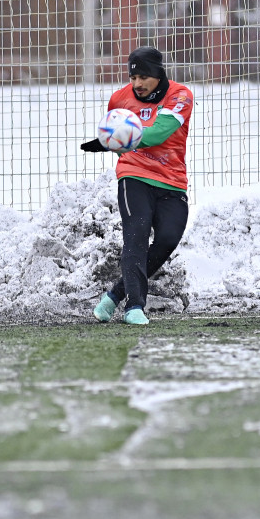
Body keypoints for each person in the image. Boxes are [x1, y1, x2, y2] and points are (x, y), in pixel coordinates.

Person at [81, 47, 193, 325]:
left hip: (172, 180)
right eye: (133, 78)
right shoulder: (119, 99)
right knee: (136, 234)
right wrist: (113, 144)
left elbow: (158, 132)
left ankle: (115, 295)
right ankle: (134, 306)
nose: (137, 84)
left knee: (168, 239)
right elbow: (116, 137)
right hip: (134, 176)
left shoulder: (180, 95)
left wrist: (121, 139)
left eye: (143, 77)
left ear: (157, 74)